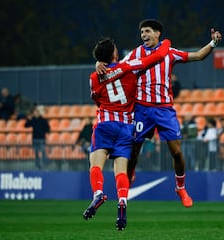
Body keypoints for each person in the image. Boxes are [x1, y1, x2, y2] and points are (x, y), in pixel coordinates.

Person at [98, 19, 222, 208]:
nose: (143, 35)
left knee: (177, 152)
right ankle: (128, 178)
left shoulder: (170, 53)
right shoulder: (135, 54)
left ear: (157, 33)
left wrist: (213, 43)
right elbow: (114, 68)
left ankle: (180, 187)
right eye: (141, 32)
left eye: (147, 31)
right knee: (134, 150)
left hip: (165, 110)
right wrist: (99, 62)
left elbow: (197, 56)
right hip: (141, 109)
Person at [83, 36, 171, 231]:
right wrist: (166, 42)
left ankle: (98, 193)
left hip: (105, 123)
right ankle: (122, 200)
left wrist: (100, 65)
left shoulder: (93, 77)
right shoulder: (129, 66)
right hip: (125, 126)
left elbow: (96, 100)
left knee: (95, 165)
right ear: (114, 53)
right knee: (121, 170)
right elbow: (158, 56)